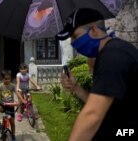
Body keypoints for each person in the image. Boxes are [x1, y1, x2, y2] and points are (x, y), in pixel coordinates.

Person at [57, 8, 138, 141]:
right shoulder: (109, 53)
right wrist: (76, 87)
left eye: (75, 36)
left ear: (94, 30)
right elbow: (101, 105)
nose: (72, 43)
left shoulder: (113, 56)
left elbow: (93, 114)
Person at [0, 70, 24, 141]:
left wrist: (22, 100)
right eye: (6, 79)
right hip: (3, 105)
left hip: (10, 106)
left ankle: (13, 135)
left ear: (11, 78)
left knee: (12, 122)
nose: (7, 80)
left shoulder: (12, 86)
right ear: (3, 79)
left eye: (9, 78)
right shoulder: (0, 86)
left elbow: (17, 93)